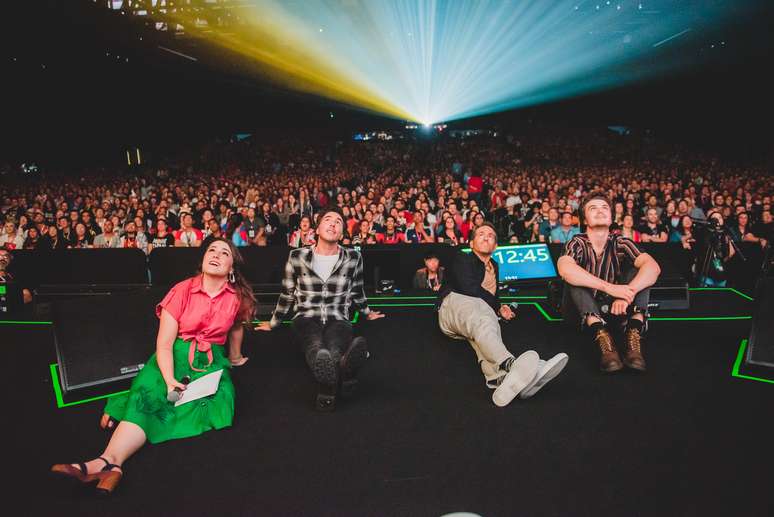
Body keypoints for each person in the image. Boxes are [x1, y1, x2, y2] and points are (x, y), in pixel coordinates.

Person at [51, 238, 255, 494]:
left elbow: (236, 326)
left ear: (231, 267)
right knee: (152, 396)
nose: (215, 254)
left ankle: (109, 465)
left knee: (197, 403)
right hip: (175, 354)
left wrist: (235, 357)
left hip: (211, 363)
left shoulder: (236, 297)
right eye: (211, 250)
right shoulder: (181, 290)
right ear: (203, 258)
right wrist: (169, 380)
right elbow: (165, 344)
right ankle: (107, 462)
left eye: (224, 252)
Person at [256, 208, 385, 411]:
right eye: (328, 219)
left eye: (338, 222)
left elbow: (357, 290)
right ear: (317, 229)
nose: (333, 223)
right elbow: (287, 293)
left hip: (338, 317)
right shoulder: (296, 256)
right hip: (305, 317)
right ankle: (345, 373)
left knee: (334, 346)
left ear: (342, 233)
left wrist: (367, 312)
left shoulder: (353, 257)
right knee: (314, 344)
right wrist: (273, 323)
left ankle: (328, 388)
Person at [437, 222, 568, 407]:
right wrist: (495, 306)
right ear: (471, 243)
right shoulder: (463, 258)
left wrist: (500, 307)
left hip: (475, 317)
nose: (486, 237)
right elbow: (470, 289)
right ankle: (513, 364)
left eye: (491, 235)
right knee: (483, 313)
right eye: (481, 234)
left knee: (486, 327)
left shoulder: (495, 266)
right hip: (453, 306)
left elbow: (492, 297)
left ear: (496, 246)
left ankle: (503, 379)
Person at [557, 193, 661, 372]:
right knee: (574, 275)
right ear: (584, 219)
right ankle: (602, 336)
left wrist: (626, 294)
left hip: (615, 309)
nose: (600, 211)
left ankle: (634, 331)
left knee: (641, 270)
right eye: (593, 208)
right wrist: (611, 288)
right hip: (579, 314)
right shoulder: (576, 243)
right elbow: (565, 269)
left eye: (604, 208)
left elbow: (653, 267)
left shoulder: (621, 242)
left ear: (612, 218)